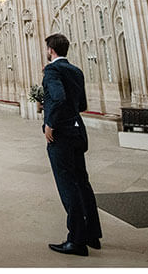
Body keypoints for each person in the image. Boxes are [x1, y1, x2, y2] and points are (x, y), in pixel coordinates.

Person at [42, 33, 102, 257]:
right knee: (82, 183)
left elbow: (58, 98)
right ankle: (92, 234)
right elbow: (81, 103)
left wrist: (50, 122)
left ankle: (76, 240)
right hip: (78, 132)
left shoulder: (52, 70)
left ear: (51, 50)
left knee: (67, 186)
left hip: (62, 135)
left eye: (47, 48)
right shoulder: (76, 71)